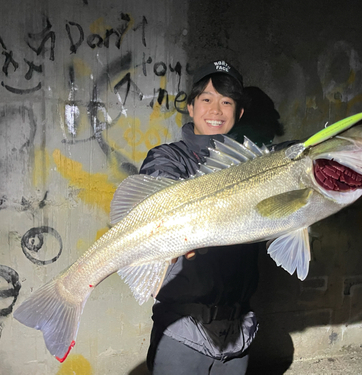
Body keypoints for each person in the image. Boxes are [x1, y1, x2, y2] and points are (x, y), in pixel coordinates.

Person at [139, 60, 260, 374]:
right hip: (183, 330)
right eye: (206, 99)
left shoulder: (255, 165)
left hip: (239, 331)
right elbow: (161, 197)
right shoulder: (167, 158)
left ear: (239, 112)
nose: (216, 110)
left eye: (226, 101)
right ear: (191, 107)